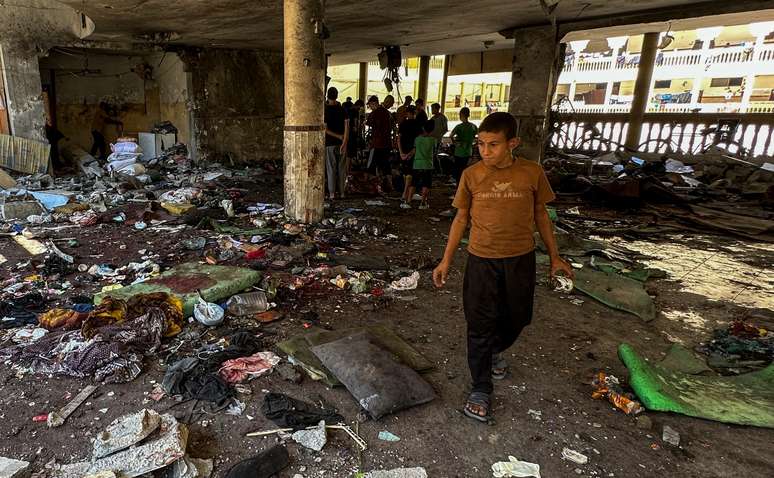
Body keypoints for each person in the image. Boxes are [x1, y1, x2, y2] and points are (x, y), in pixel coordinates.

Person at [432, 112, 573, 423]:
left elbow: (541, 215)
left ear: (513, 143)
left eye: (493, 145)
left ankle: (494, 349)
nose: (485, 151)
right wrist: (446, 260)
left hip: (520, 258)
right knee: (479, 323)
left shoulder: (532, 173)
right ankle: (481, 387)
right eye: (481, 144)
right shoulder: (471, 175)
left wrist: (555, 257)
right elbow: (460, 219)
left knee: (519, 317)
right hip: (481, 260)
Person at [403, 120, 435, 210]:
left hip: (417, 164)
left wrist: (407, 156)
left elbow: (414, 150)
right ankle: (423, 203)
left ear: (423, 128)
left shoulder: (417, 139)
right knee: (426, 184)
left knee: (413, 183)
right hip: (428, 165)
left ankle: (408, 202)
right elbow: (435, 152)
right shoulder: (433, 140)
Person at [324, 87, 349, 200]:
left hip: (329, 144)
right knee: (342, 169)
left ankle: (332, 194)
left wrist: (337, 136)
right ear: (337, 95)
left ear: (327, 96)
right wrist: (344, 141)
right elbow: (347, 127)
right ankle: (343, 193)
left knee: (331, 169)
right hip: (342, 143)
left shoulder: (324, 110)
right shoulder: (343, 109)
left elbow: (325, 129)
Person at [365, 95, 394, 192]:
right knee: (386, 165)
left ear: (374, 103)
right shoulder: (387, 113)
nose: (370, 107)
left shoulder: (375, 113)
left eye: (370, 105)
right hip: (387, 143)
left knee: (372, 166)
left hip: (377, 143)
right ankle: (390, 185)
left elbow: (368, 125)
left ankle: (375, 186)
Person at [398, 106, 422, 208]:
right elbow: (418, 142)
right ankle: (406, 193)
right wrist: (411, 153)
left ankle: (405, 192)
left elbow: (398, 139)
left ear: (407, 113)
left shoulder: (402, 124)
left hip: (403, 150)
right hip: (412, 151)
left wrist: (401, 153)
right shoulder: (418, 125)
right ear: (414, 113)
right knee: (411, 173)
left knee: (405, 172)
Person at [449, 107, 478, 186]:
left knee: (458, 172)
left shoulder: (459, 126)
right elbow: (479, 137)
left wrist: (455, 143)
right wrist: (474, 144)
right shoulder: (473, 126)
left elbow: (451, 135)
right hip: (468, 151)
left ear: (461, 115)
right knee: (466, 170)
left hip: (459, 152)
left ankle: (459, 188)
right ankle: (465, 186)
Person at [429, 102, 448, 167]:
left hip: (437, 140)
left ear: (437, 109)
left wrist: (440, 135)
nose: (432, 110)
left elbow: (445, 129)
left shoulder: (442, 118)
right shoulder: (432, 118)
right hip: (431, 139)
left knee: (434, 155)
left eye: (433, 109)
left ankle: (438, 169)